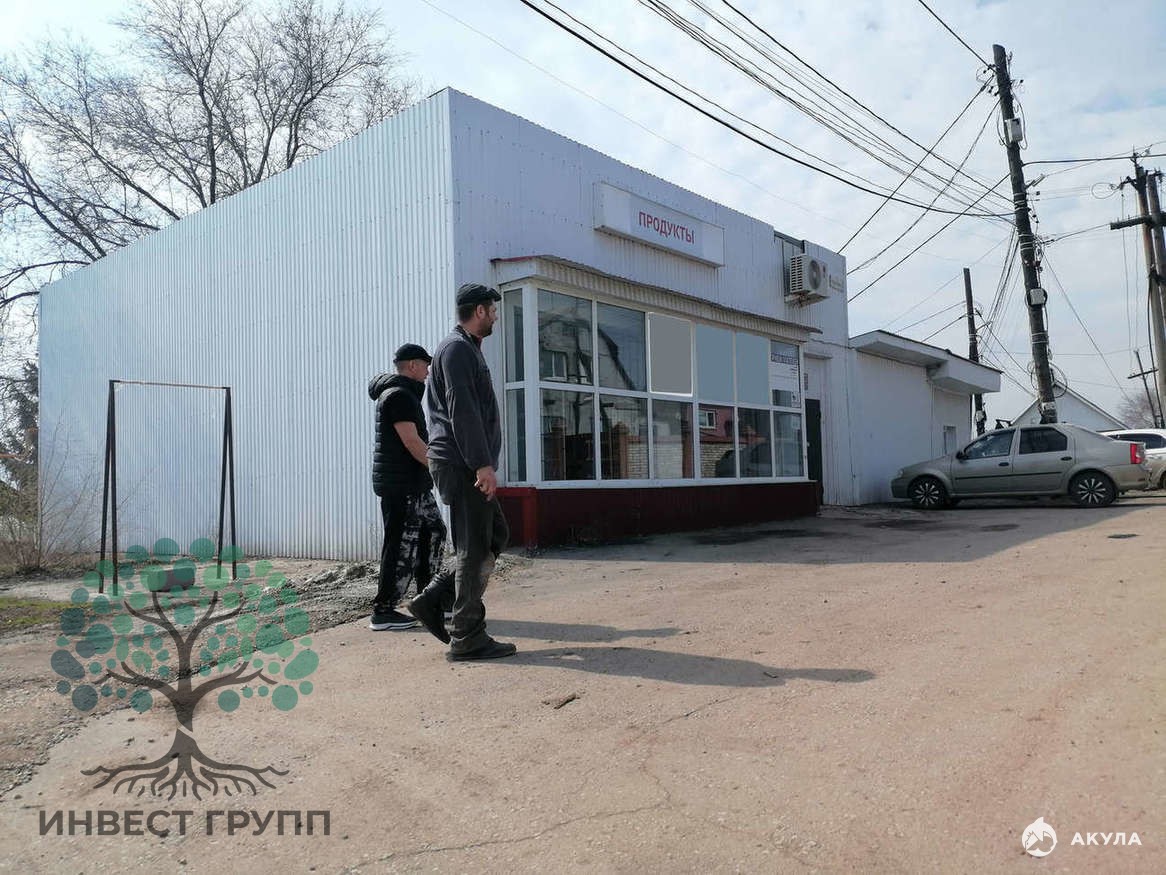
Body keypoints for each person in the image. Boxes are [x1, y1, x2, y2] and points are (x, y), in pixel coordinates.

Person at [410, 283, 516, 661]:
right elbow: (463, 410)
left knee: (495, 534)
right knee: (474, 548)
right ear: (480, 311)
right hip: (461, 463)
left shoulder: (466, 348)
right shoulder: (456, 349)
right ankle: (467, 635)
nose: (496, 316)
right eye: (493, 310)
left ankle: (435, 597)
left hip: (463, 461)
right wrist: (481, 464)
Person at [367, 343, 447, 631]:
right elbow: (412, 442)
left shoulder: (406, 394)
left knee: (434, 531)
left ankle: (428, 599)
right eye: (425, 365)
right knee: (401, 545)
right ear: (412, 365)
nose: (428, 372)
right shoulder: (398, 396)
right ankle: (383, 611)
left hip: (415, 484)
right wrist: (440, 468)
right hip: (400, 487)